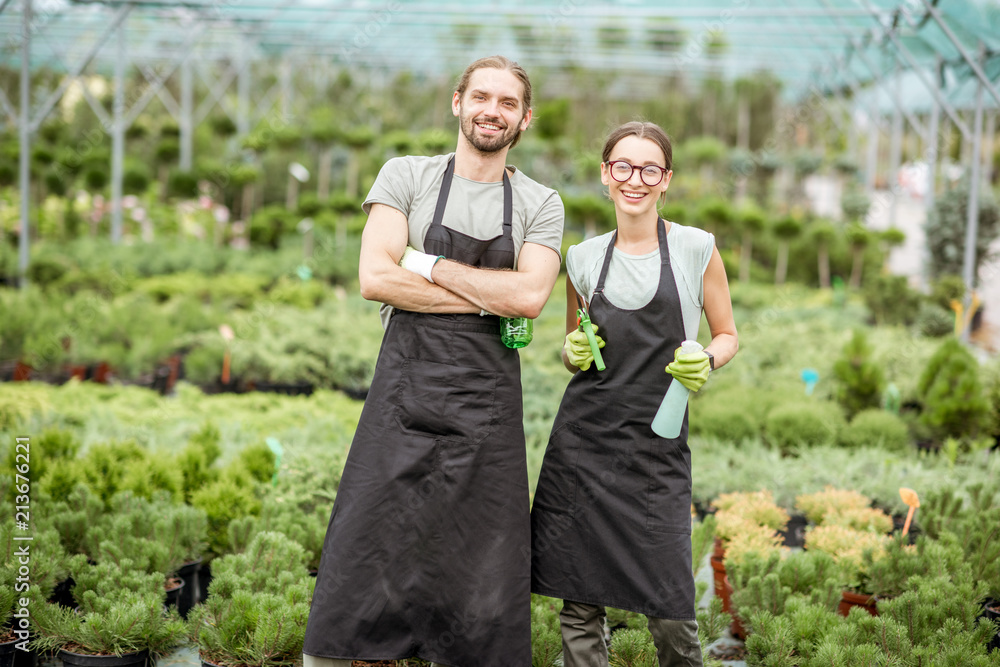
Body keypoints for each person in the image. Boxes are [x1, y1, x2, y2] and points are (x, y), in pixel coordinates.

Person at [303, 55, 564, 667]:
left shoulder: (539, 202)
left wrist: (423, 264)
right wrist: (484, 298)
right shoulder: (407, 176)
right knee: (367, 543)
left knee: (483, 562)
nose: (491, 111)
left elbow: (529, 298)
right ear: (457, 102)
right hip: (403, 400)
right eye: (482, 97)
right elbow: (374, 278)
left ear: (525, 119)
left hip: (486, 416)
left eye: (507, 103)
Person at [530, 121, 738, 667]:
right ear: (605, 174)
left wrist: (707, 358)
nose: (635, 180)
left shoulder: (696, 248)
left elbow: (728, 334)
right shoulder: (582, 258)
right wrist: (570, 352)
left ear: (665, 179)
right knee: (578, 602)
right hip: (583, 447)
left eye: (650, 169)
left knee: (670, 609)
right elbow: (573, 342)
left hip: (655, 451)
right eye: (623, 166)